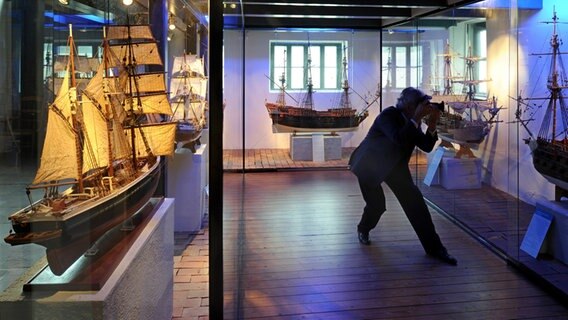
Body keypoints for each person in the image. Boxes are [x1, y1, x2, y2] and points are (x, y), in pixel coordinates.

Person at [348, 87, 457, 266]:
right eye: (422, 105)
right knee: (377, 206)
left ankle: (435, 249)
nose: (426, 108)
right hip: (370, 165)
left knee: (416, 205)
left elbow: (427, 146)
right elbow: (398, 138)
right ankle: (363, 228)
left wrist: (431, 125)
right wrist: (416, 119)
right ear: (408, 106)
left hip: (395, 166)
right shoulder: (389, 115)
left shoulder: (413, 122)